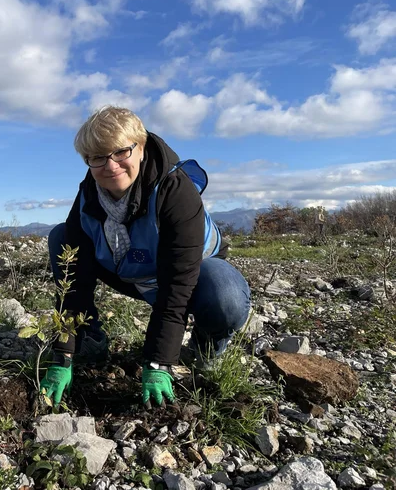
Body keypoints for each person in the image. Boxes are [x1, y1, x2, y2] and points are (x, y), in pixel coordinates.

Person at [41, 106, 251, 409]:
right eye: (97, 157)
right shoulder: (88, 195)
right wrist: (64, 355)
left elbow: (177, 288)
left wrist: (158, 363)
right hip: (131, 271)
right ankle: (90, 339)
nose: (110, 166)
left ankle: (206, 349)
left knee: (225, 295)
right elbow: (72, 284)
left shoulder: (175, 191)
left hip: (190, 274)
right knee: (62, 238)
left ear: (140, 148)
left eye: (121, 152)